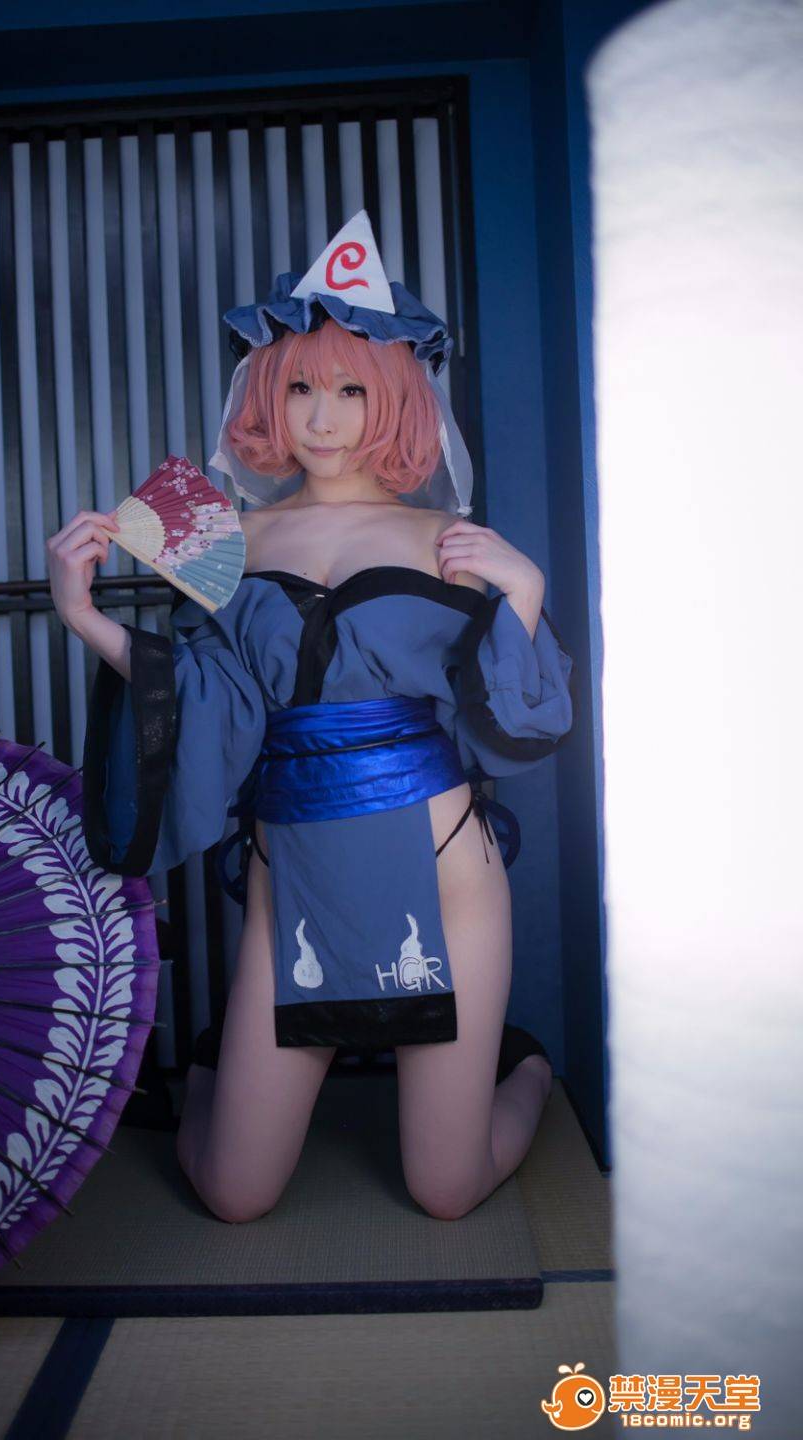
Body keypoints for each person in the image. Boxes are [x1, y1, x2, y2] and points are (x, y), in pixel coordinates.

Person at [46, 212, 575, 1225]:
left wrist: (526, 594)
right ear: (266, 396)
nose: (321, 419)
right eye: (298, 389)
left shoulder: (450, 536)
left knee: (446, 1190)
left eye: (350, 391)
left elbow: (515, 725)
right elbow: (212, 701)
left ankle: (529, 1071)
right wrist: (84, 615)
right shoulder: (223, 536)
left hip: (445, 868)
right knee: (232, 1195)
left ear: (397, 398)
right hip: (290, 870)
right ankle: (216, 1064)